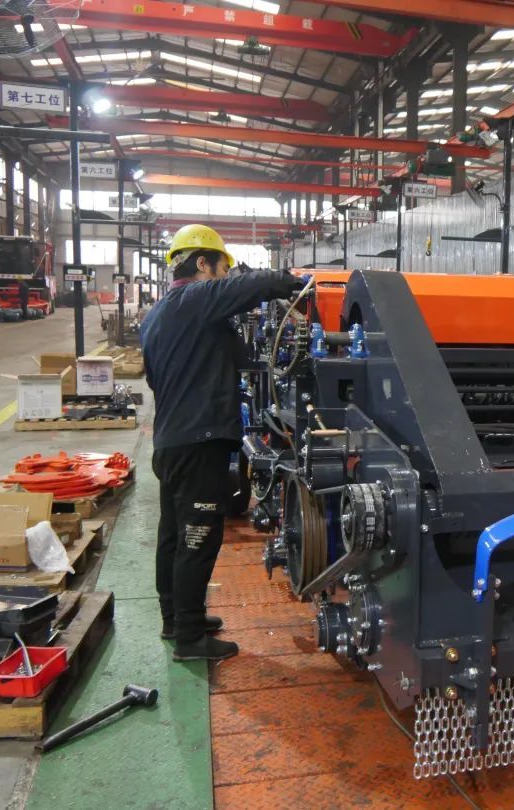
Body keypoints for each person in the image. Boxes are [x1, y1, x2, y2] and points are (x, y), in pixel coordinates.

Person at [142, 224, 303, 661]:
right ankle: (191, 639)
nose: (224, 276)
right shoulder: (195, 299)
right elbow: (247, 287)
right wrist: (292, 281)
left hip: (171, 441)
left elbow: (158, 379)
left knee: (173, 535)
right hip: (199, 442)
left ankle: (176, 619)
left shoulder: (158, 315)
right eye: (220, 268)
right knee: (198, 538)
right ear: (202, 263)